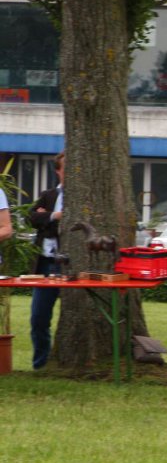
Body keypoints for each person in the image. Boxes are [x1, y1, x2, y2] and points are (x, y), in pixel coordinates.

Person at [28, 152, 63, 370]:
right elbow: (31, 217)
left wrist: (46, 215)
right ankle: (41, 364)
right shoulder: (48, 195)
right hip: (46, 262)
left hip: (69, 263)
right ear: (58, 171)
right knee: (39, 316)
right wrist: (53, 216)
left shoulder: (85, 196)